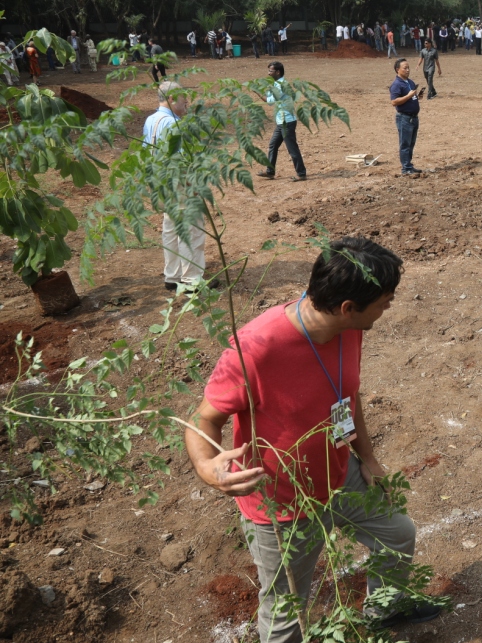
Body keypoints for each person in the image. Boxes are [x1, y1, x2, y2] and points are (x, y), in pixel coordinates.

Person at [185, 237, 442, 643]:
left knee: (396, 534)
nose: (389, 306)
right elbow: (203, 419)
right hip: (283, 503)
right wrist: (207, 468)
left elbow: (347, 395)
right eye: (385, 300)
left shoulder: (348, 327)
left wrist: (368, 458)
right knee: (287, 611)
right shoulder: (255, 348)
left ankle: (384, 609)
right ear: (346, 307)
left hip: (341, 476)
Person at [143, 81, 210, 291]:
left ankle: (172, 275)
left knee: (171, 228)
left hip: (159, 181)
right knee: (191, 229)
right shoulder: (173, 124)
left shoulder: (151, 120)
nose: (187, 102)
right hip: (178, 182)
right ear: (171, 98)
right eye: (183, 99)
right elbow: (181, 160)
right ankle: (192, 280)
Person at [257, 61, 307, 182]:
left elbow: (269, 101)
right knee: (273, 145)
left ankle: (301, 173)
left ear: (278, 72)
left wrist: (257, 93)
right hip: (282, 122)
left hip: (287, 122)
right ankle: (270, 171)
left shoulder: (281, 85)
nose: (269, 73)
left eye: (271, 71)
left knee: (292, 149)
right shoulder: (277, 84)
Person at [390, 58, 424, 176]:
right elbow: (394, 102)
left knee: (411, 143)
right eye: (405, 68)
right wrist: (409, 96)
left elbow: (411, 97)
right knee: (405, 144)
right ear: (397, 70)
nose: (408, 70)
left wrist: (417, 97)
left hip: (414, 118)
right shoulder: (396, 85)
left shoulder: (410, 82)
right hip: (404, 118)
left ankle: (409, 165)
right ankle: (406, 168)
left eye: (408, 67)